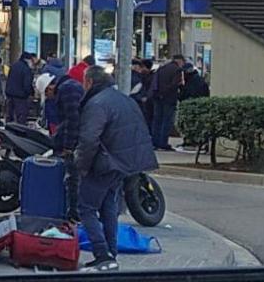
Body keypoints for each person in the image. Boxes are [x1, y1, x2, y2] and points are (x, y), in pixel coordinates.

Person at [76, 66, 158, 272]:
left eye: (83, 82)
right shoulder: (124, 99)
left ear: (90, 82)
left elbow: (89, 140)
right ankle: (111, 253)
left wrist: (81, 166)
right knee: (108, 208)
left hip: (104, 164)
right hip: (123, 164)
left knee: (86, 209)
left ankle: (103, 255)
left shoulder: (96, 104)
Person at [36, 72, 85, 222]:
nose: (49, 98)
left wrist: (68, 146)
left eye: (47, 94)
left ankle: (76, 213)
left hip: (78, 142)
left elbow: (73, 119)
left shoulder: (67, 90)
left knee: (74, 178)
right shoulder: (69, 87)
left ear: (50, 88)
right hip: (79, 139)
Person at [152, 54, 185, 151]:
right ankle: (163, 142)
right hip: (169, 98)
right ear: (180, 61)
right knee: (167, 121)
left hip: (158, 97)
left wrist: (158, 93)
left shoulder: (161, 68)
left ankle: (155, 142)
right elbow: (174, 85)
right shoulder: (177, 70)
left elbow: (155, 82)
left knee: (157, 120)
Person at [6, 52, 36, 124]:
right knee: (21, 117)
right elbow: (27, 84)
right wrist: (30, 93)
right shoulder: (26, 69)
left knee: (10, 116)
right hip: (21, 96)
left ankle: (8, 131)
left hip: (10, 94)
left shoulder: (13, 66)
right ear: (27, 60)